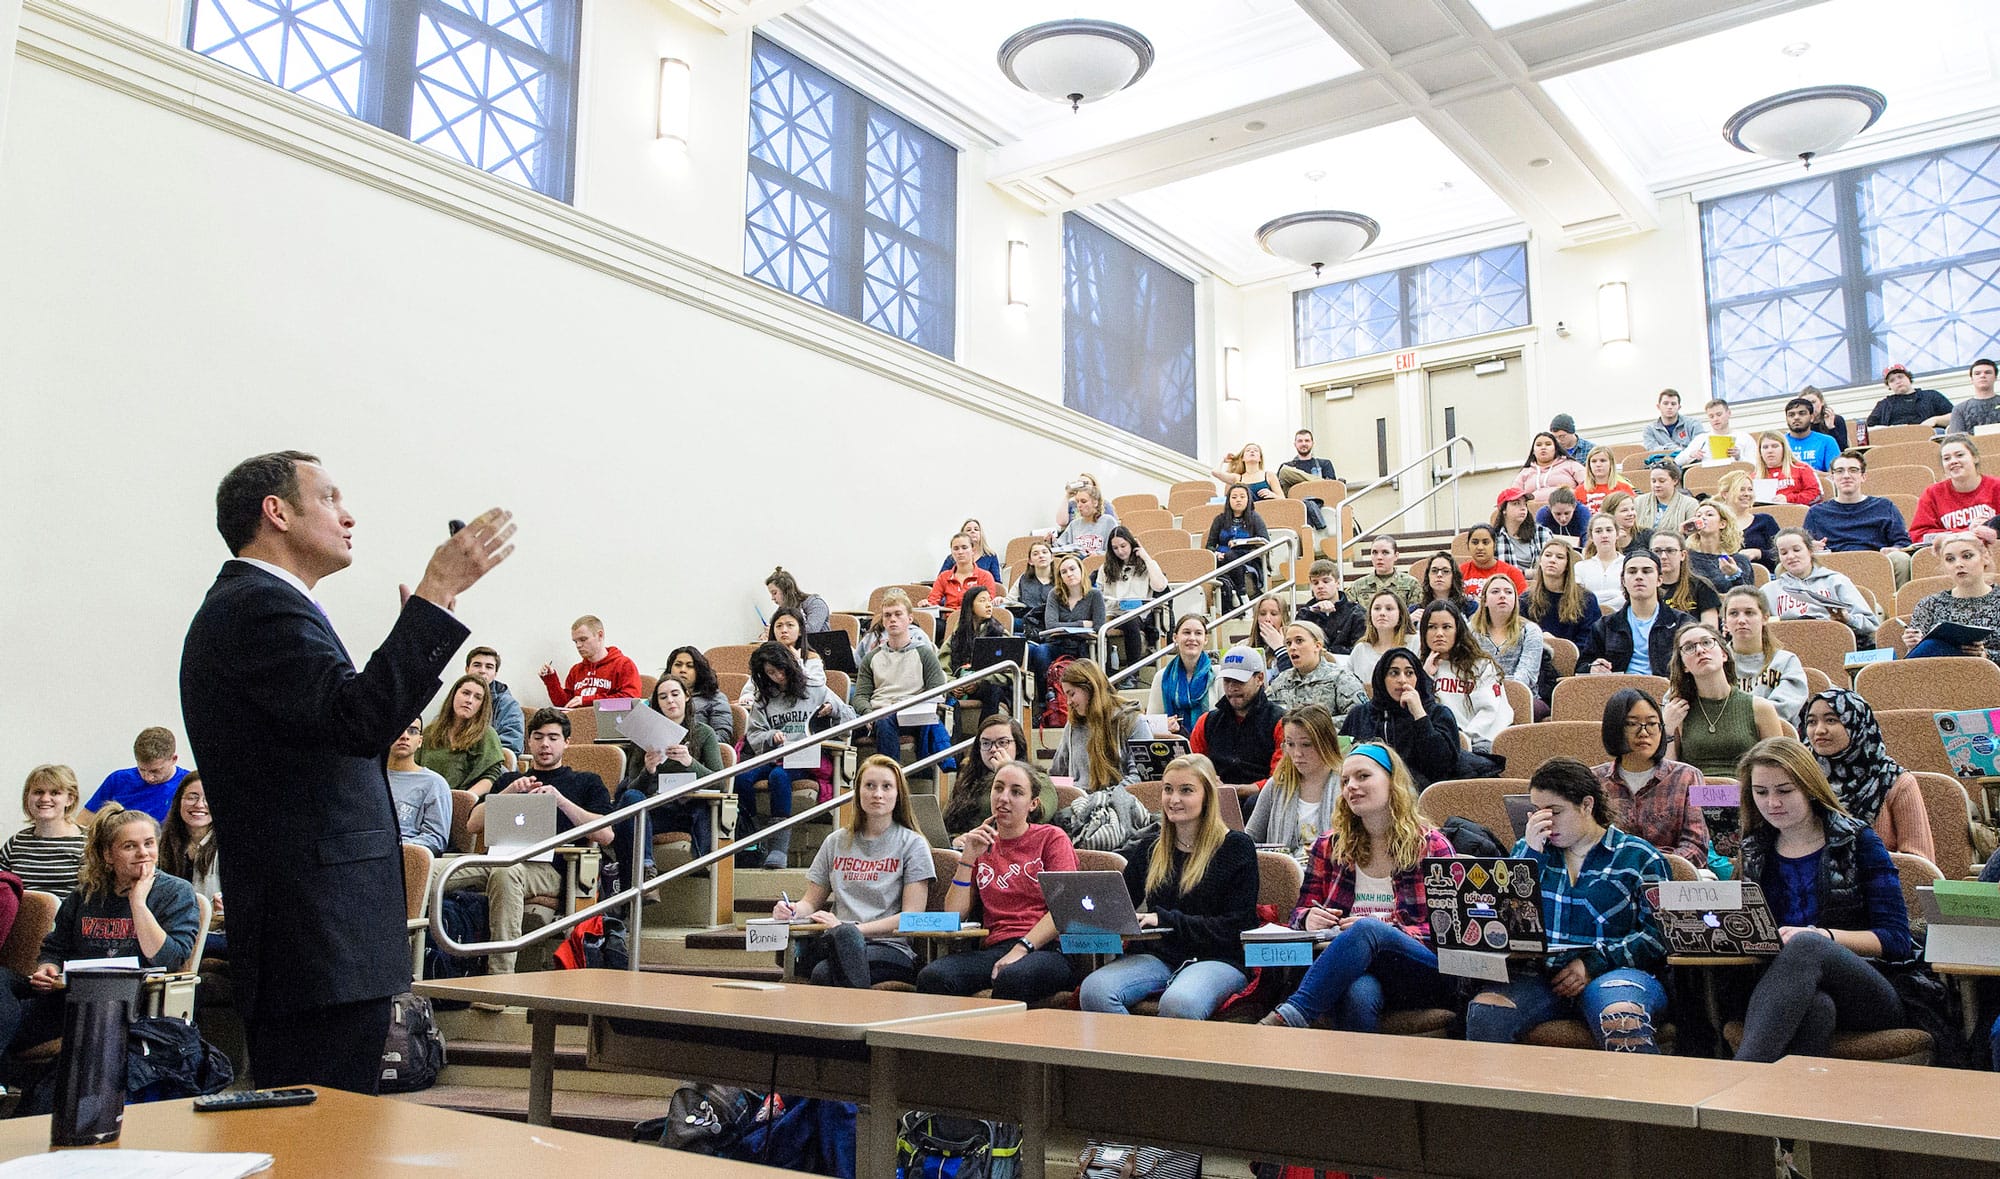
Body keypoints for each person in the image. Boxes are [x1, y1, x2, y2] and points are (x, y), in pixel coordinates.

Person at [180, 450, 511, 1092]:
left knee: (323, 1135)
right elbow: (357, 723)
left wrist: (419, 627)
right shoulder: (258, 607)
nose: (348, 514)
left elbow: (348, 728)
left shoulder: (259, 604)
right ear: (276, 512)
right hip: (315, 936)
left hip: (318, 936)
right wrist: (438, 596)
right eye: (329, 497)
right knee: (318, 1139)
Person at [1729, 738, 1915, 1063]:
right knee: (1817, 1008)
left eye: (1784, 791)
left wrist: (1823, 937)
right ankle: (1785, 1109)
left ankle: (1737, 1083)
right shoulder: (1754, 849)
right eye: (1761, 792)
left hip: (1869, 987)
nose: (1772, 802)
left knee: (1807, 946)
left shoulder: (1858, 841)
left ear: (1810, 787)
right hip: (1783, 991)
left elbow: (1897, 940)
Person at [1465, 758, 1669, 1054]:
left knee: (1620, 1018)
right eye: (1537, 812)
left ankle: (1643, 1100)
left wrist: (1593, 963)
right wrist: (1531, 857)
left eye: (1556, 812)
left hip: (1616, 972)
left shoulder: (1639, 857)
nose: (1545, 822)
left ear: (1587, 805)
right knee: (1486, 1012)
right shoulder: (1528, 852)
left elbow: (1658, 936)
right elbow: (1505, 923)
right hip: (1541, 976)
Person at [1257, 743, 1457, 1030]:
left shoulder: (1431, 846)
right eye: (1345, 780)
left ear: (1392, 781)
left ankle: (1289, 1017)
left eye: (1363, 776)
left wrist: (1384, 928)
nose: (1352, 786)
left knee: (1368, 930)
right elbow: (1299, 912)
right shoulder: (1329, 845)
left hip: (1420, 971)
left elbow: (1448, 930)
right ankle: (1356, 1075)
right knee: (1358, 994)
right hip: (1353, 969)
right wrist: (1307, 918)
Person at [0, 805, 201, 1054]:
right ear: (108, 855)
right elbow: (56, 947)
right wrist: (47, 967)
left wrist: (138, 902)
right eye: (129, 846)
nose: (143, 853)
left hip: (129, 1005)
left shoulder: (176, 892)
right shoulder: (87, 892)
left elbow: (167, 959)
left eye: (149, 843)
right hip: (71, 996)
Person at [1079, 755, 1258, 1019]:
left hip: (1218, 958)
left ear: (1207, 796)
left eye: (1186, 790)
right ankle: (1136, 1060)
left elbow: (1237, 926)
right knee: (1094, 990)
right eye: (1168, 789)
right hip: (1158, 957)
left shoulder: (1236, 847)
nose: (1174, 799)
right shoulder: (1151, 847)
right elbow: (1119, 905)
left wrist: (1164, 919)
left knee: (1180, 1003)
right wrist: (1091, 915)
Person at [460, 709, 613, 975]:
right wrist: (509, 793)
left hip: (550, 868)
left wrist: (560, 801)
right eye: (539, 737)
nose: (545, 744)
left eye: (553, 738)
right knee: (433, 871)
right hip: (499, 858)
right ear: (528, 742)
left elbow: (605, 835)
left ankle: (500, 979)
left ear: (567, 742)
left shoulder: (585, 782)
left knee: (506, 874)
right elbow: (472, 824)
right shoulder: (509, 780)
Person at [917, 760, 1080, 1004]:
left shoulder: (1051, 838)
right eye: (998, 788)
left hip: (1048, 949)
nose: (1004, 798)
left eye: (1016, 792)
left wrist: (1022, 948)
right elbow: (953, 914)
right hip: (995, 947)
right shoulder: (981, 844)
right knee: (933, 977)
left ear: (1033, 804)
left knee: (1012, 978)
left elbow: (1063, 908)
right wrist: (968, 858)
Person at [774, 755, 935, 989]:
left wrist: (851, 929)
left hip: (890, 948)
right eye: (869, 786)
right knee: (830, 957)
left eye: (886, 787)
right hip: (836, 941)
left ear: (898, 794)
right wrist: (791, 910)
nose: (877, 794)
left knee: (824, 970)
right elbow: (810, 903)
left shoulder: (913, 844)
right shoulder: (835, 842)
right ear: (858, 792)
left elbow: (912, 918)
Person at [740, 641, 856, 869]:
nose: (777, 676)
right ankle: (755, 836)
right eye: (771, 673)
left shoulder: (815, 689)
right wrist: (771, 736)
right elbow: (754, 733)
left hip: (805, 756)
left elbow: (851, 717)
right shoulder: (764, 698)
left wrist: (833, 710)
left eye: (780, 670)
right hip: (773, 755)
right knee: (741, 779)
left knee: (778, 778)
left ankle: (778, 846)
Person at [1801, 690, 1935, 862]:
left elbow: (1919, 865)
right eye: (1811, 722)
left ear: (1856, 724)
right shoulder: (1802, 778)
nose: (1819, 730)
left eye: (1831, 720)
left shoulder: (1895, 781)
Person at [614, 675, 725, 873]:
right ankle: (647, 867)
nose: (670, 701)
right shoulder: (645, 735)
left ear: (687, 696)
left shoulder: (704, 733)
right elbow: (632, 790)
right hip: (655, 810)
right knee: (631, 798)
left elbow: (719, 784)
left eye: (675, 694)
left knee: (701, 810)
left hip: (687, 810)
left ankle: (703, 864)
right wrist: (648, 770)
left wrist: (690, 762)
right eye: (663, 697)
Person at [1661, 621, 1786, 788]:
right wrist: (1667, 729)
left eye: (1706, 642)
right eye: (1689, 647)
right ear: (1684, 666)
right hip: (1694, 800)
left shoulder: (1760, 707)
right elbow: (1668, 778)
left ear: (1724, 654)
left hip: (1747, 798)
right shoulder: (1677, 711)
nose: (1699, 650)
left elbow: (1778, 768)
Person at [1594, 689, 1708, 864]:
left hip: (1672, 878)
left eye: (1652, 723)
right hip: (1610, 877)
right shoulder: (1594, 780)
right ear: (1614, 728)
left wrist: (1651, 866)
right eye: (1632, 724)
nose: (1644, 732)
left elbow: (1696, 846)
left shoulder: (1690, 776)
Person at [1339, 649, 1465, 788]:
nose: (1402, 680)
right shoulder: (1360, 714)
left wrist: (1420, 715)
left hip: (1420, 794)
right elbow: (1343, 761)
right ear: (1382, 678)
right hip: (1366, 792)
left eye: (1409, 673)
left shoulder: (1438, 713)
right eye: (1394, 673)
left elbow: (1442, 768)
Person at [856, 589, 951, 772]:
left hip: (913, 715)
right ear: (882, 621)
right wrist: (868, 712)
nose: (892, 619)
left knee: (886, 720)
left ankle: (892, 778)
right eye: (887, 615)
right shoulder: (871, 658)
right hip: (879, 713)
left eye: (898, 614)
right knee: (875, 720)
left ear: (909, 618)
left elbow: (937, 691)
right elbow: (860, 695)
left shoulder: (924, 654)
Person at [1246, 704, 1344, 863]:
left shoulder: (1346, 786)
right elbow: (1249, 839)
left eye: (1306, 744)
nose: (1297, 754)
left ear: (1326, 743)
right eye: (1290, 744)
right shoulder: (1275, 785)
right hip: (1283, 877)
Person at [1805, 450, 1914, 587]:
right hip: (1833, 571)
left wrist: (1895, 549)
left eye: (1853, 470)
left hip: (1876, 566)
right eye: (1839, 471)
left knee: (1900, 559)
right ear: (1832, 478)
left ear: (1863, 476)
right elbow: (1805, 547)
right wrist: (1811, 547)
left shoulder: (1884, 506)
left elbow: (1903, 542)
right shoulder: (1816, 513)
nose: (1846, 476)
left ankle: (1896, 605)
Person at [1189, 646, 1284, 797]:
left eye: (1239, 681)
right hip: (1214, 799)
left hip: (1264, 802)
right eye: (1227, 681)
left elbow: (1281, 780)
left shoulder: (1280, 722)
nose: (1232, 688)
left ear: (1259, 678)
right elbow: (1192, 768)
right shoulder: (1207, 722)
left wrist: (1235, 790)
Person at [944, 715, 1057, 838]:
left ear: (1018, 747)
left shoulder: (1039, 779)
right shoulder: (968, 780)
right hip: (971, 849)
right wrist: (955, 839)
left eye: (1002, 743)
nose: (993, 749)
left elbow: (1040, 816)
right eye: (986, 743)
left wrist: (1006, 771)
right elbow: (949, 823)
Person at [1048, 659, 1146, 801]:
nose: (1068, 702)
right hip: (1078, 806)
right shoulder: (1072, 726)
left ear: (1090, 688)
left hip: (1119, 805)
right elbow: (1057, 774)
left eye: (1072, 694)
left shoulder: (1132, 720)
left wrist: (1098, 800)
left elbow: (1140, 777)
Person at [1419, 602, 1510, 754]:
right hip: (1432, 745)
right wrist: (1425, 677)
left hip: (1476, 744)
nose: (1439, 633)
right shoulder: (1415, 668)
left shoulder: (1481, 666)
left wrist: (1463, 740)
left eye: (1446, 627)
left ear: (1458, 631)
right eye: (1432, 627)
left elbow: (1490, 712)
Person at [1763, 528, 1879, 645]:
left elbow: (1871, 624)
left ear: (1810, 551)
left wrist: (1847, 619)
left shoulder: (1836, 581)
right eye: (1784, 553)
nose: (1791, 556)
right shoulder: (1768, 591)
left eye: (1797, 550)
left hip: (1834, 645)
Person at [1581, 551, 1686, 676]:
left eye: (1647, 571)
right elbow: (1582, 667)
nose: (1639, 576)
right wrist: (1593, 668)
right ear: (1623, 581)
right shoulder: (1605, 626)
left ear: (1659, 580)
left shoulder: (1681, 623)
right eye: (1632, 571)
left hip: (1667, 691)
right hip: (1619, 691)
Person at [1903, 531, 2000, 665]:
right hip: (1937, 676)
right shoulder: (1929, 604)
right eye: (1950, 559)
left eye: (1967, 556)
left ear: (1985, 557)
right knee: (1931, 645)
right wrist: (1912, 645)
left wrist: (1986, 655)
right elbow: (1915, 662)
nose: (1958, 564)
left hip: (1991, 679)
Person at [159, 773, 226, 959]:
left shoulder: (232, 847)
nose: (199, 805)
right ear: (178, 800)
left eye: (207, 798)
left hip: (216, 933)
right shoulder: (160, 845)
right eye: (192, 797)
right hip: (171, 931)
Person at [1723, 587, 1809, 727]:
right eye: (1733, 613)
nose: (1741, 620)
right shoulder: (1713, 662)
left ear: (1765, 618)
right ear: (1725, 621)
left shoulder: (1786, 662)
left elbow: (1784, 710)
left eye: (1749, 613)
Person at [0, 766, 85, 896]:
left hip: (69, 915)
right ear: (27, 797)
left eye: (55, 793)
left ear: (70, 799)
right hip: (20, 915)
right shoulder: (15, 843)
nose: (45, 799)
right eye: (38, 792)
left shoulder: (87, 843)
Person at [418, 674, 506, 797]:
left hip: (463, 802)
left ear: (482, 705)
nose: (469, 700)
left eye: (477, 697)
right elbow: (415, 768)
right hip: (425, 798)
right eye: (465, 693)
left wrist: (463, 799)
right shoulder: (430, 731)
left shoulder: (487, 735)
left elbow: (491, 776)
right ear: (454, 695)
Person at [1265, 621, 1367, 723]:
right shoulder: (1280, 682)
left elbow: (1361, 717)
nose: (1292, 647)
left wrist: (1314, 726)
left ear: (1317, 646)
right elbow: (1265, 716)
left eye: (1299, 641)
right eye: (1288, 643)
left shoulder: (1341, 678)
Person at [82, 726, 189, 823]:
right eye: (142, 769)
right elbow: (84, 821)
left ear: (173, 759)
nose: (148, 777)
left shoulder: (189, 784)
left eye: (155, 771)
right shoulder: (118, 780)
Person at [1471, 575, 1545, 709]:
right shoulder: (1470, 631)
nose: (1502, 596)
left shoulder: (1530, 631)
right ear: (1484, 601)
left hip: (1521, 699)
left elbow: (1527, 674)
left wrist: (1499, 692)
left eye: (1508, 592)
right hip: (1478, 696)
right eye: (1495, 592)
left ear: (1515, 600)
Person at [1911, 433, 2000, 544]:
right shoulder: (1932, 493)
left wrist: (1990, 529)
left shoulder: (1997, 486)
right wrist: (1966, 533)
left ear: (1975, 457)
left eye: (1959, 455)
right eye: (1947, 458)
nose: (1953, 461)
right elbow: (1919, 535)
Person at [1098, 526, 1168, 668]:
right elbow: (1099, 592)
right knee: (1098, 625)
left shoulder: (1146, 565)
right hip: (1113, 612)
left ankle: (1132, 674)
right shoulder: (1105, 568)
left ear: (1131, 543)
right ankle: (1108, 673)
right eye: (1115, 548)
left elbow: (1160, 586)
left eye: (1123, 546)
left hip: (1137, 615)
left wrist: (1146, 558)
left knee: (1130, 622)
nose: (1120, 551)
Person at [539, 614, 642, 707]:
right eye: (575, 641)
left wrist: (586, 700)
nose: (578, 645)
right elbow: (565, 705)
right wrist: (551, 680)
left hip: (611, 724)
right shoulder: (576, 670)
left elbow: (630, 700)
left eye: (583, 639)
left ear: (600, 635)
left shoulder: (623, 664)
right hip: (579, 725)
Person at [386, 718, 453, 856]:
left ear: (420, 741)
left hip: (405, 857)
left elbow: (436, 839)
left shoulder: (434, 783)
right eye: (399, 729)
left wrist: (398, 850)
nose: (405, 736)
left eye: (412, 731)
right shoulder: (371, 777)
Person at [943, 585, 1011, 720]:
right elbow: (941, 667)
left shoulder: (999, 633)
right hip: (959, 685)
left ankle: (984, 736)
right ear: (970, 606)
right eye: (982, 600)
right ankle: (952, 740)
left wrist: (979, 681)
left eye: (989, 600)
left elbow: (1010, 672)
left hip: (987, 686)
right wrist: (952, 684)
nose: (988, 605)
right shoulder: (957, 635)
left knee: (993, 690)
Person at [1146, 614, 1217, 736]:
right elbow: (1151, 724)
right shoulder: (1161, 677)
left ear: (1205, 639)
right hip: (1176, 749)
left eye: (1198, 633)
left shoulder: (1218, 676)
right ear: (1175, 637)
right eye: (1186, 632)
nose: (1192, 638)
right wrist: (1165, 726)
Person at [739, 605, 827, 703]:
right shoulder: (766, 657)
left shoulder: (811, 657)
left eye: (790, 625)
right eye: (779, 626)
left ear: (800, 631)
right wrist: (748, 697)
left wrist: (798, 663)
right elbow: (751, 688)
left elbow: (818, 686)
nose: (784, 630)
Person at [1524, 538, 1601, 646]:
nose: (1552, 560)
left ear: (1567, 565)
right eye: (1548, 555)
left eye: (1559, 557)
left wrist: (1561, 648)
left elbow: (1590, 641)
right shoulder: (1526, 599)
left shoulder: (1587, 599)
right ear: (1540, 561)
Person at [1204, 484, 1270, 608]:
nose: (1238, 500)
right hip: (1222, 558)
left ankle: (1242, 593)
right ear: (1229, 500)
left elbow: (1265, 541)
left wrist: (1241, 542)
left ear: (1248, 499)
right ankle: (1234, 597)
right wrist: (1215, 553)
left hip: (1247, 557)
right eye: (1234, 497)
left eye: (1242, 497)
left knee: (1230, 556)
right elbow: (1210, 545)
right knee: (1223, 558)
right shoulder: (1220, 519)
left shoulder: (1255, 518)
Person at [664, 646, 734, 744]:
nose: (682, 670)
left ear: (699, 671)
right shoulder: (660, 696)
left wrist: (692, 747)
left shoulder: (715, 699)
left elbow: (722, 736)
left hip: (695, 753)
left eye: (690, 666)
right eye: (678, 665)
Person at [1650, 531, 1721, 628]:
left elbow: (1710, 630)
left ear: (1682, 555)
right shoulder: (1645, 586)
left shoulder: (1701, 586)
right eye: (1657, 551)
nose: (1663, 557)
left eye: (1670, 551)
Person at [1042, 554, 1106, 662]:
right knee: (1040, 651)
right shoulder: (1054, 594)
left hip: (1085, 645)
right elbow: (1051, 625)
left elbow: (1099, 627)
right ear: (1060, 577)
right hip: (1059, 644)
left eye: (1072, 569)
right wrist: (1082, 624)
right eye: (1064, 572)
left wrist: (1064, 627)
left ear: (1081, 570)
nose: (1069, 574)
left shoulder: (1095, 594)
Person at [1297, 559, 1366, 655]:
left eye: (1326, 581)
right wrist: (1312, 612)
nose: (1320, 586)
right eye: (1315, 583)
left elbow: (1359, 650)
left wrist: (1331, 652)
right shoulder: (1305, 613)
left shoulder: (1356, 613)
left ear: (1337, 583)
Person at [1348, 590, 1416, 687]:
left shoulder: (1414, 642)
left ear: (1400, 615)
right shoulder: (1361, 649)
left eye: (1389, 609)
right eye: (1377, 608)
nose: (1382, 613)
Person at [465, 646, 524, 754]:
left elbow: (511, 745)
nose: (482, 671)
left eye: (489, 667)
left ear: (495, 673)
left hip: (489, 762)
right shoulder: (457, 697)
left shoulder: (508, 704)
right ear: (467, 669)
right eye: (477, 665)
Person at [1714, 471, 1779, 569]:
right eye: (1741, 490)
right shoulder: (1715, 523)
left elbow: (1781, 554)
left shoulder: (1765, 520)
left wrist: (1759, 553)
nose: (1747, 494)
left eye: (1750, 489)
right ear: (1725, 494)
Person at [1280, 428, 1340, 531]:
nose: (1304, 444)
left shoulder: (1324, 464)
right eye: (1300, 441)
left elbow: (1331, 488)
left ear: (1312, 443)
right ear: (1295, 444)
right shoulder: (1288, 467)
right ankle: (1319, 481)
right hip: (1297, 508)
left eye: (1307, 441)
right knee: (1284, 471)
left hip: (1321, 504)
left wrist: (1300, 483)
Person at [1686, 500, 1751, 592]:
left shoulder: (1739, 560)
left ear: (1722, 524)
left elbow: (1747, 597)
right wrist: (1682, 533)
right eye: (1698, 516)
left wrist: (1735, 575)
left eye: (1709, 515)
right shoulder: (1686, 557)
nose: (1702, 518)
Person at [927, 531, 1001, 611]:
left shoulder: (985, 576)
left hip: (974, 620)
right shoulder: (943, 577)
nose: (960, 552)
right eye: (956, 549)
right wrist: (927, 604)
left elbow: (987, 605)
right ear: (951, 552)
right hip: (948, 620)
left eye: (964, 547)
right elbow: (933, 602)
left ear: (973, 550)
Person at [1865, 362, 1953, 429]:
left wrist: (1935, 420)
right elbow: (1869, 427)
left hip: (1928, 435)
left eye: (1900, 377)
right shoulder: (1884, 405)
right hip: (1895, 441)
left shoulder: (1931, 396)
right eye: (1892, 380)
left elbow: (1955, 416)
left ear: (1909, 378)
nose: (1897, 381)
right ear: (1889, 386)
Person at [1348, 535, 1423, 612]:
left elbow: (1416, 614)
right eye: (1375, 552)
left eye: (1385, 552)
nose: (1379, 557)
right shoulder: (1357, 586)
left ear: (1396, 556)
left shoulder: (1411, 584)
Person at [1675, 398, 1757, 468]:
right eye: (1711, 416)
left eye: (1719, 414)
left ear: (1729, 413)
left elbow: (1755, 466)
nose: (1715, 419)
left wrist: (1739, 457)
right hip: (1709, 480)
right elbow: (1678, 461)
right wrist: (1691, 455)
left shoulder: (1744, 437)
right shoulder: (1702, 439)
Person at [1512, 432, 1586, 504]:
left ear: (1556, 449)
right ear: (1533, 451)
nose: (1543, 448)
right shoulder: (1525, 472)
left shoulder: (1571, 465)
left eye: (1548, 444)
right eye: (1538, 445)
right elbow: (1514, 496)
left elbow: (1588, 484)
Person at [1750, 432, 1821, 506]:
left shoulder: (1802, 468)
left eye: (1775, 446)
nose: (1770, 451)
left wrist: (1788, 499)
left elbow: (1816, 494)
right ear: (1760, 452)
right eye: (1765, 447)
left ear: (1784, 449)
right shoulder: (1753, 477)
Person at [1459, 524, 1527, 599]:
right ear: (1468, 546)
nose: (1480, 547)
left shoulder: (1512, 573)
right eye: (1475, 543)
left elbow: (1523, 605)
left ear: (1495, 545)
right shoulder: (1459, 573)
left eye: (1485, 542)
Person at [1009, 540, 1059, 641]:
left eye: (1045, 552)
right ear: (1030, 561)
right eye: (1035, 554)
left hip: (1052, 622)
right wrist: (1001, 600)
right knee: (1005, 621)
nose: (1041, 556)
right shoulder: (1023, 579)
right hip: (1027, 621)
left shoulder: (1061, 579)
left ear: (1052, 557)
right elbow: (1010, 600)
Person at [1577, 514, 1626, 615]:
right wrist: (1615, 595)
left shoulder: (1628, 564)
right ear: (1591, 537)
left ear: (1617, 534)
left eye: (1609, 530)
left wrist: (1594, 598)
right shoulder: (1580, 567)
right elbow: (1580, 601)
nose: (1604, 535)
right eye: (1598, 531)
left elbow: (1628, 598)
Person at [1491, 488, 1553, 568]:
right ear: (1503, 510)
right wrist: (1526, 573)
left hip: (1538, 580)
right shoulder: (1493, 537)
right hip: (1506, 579)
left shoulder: (1542, 533)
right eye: (1516, 503)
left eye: (1525, 504)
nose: (1523, 508)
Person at [1055, 485, 1119, 557]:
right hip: (1078, 565)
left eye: (1083, 501)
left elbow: (1117, 550)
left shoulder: (1108, 522)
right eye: (1077, 502)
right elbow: (1060, 547)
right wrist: (1052, 540)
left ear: (1095, 502)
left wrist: (1098, 555)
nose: (1079, 505)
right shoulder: (1074, 524)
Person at [766, 566, 833, 633]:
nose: (772, 598)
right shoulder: (782, 609)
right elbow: (772, 625)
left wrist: (778, 631)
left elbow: (811, 630)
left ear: (785, 590)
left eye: (774, 593)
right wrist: (766, 634)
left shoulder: (815, 603)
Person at [1637, 461, 1697, 536]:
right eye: (1653, 481)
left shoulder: (1690, 504)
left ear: (1675, 481)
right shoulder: (1639, 501)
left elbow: (1693, 537)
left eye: (1662, 481)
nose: (1657, 485)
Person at [1782, 397, 1841, 472]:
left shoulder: (1827, 441)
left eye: (1802, 413)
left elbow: (1835, 475)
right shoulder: (1779, 443)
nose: (1796, 417)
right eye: (1791, 415)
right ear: (1786, 419)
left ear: (1812, 417)